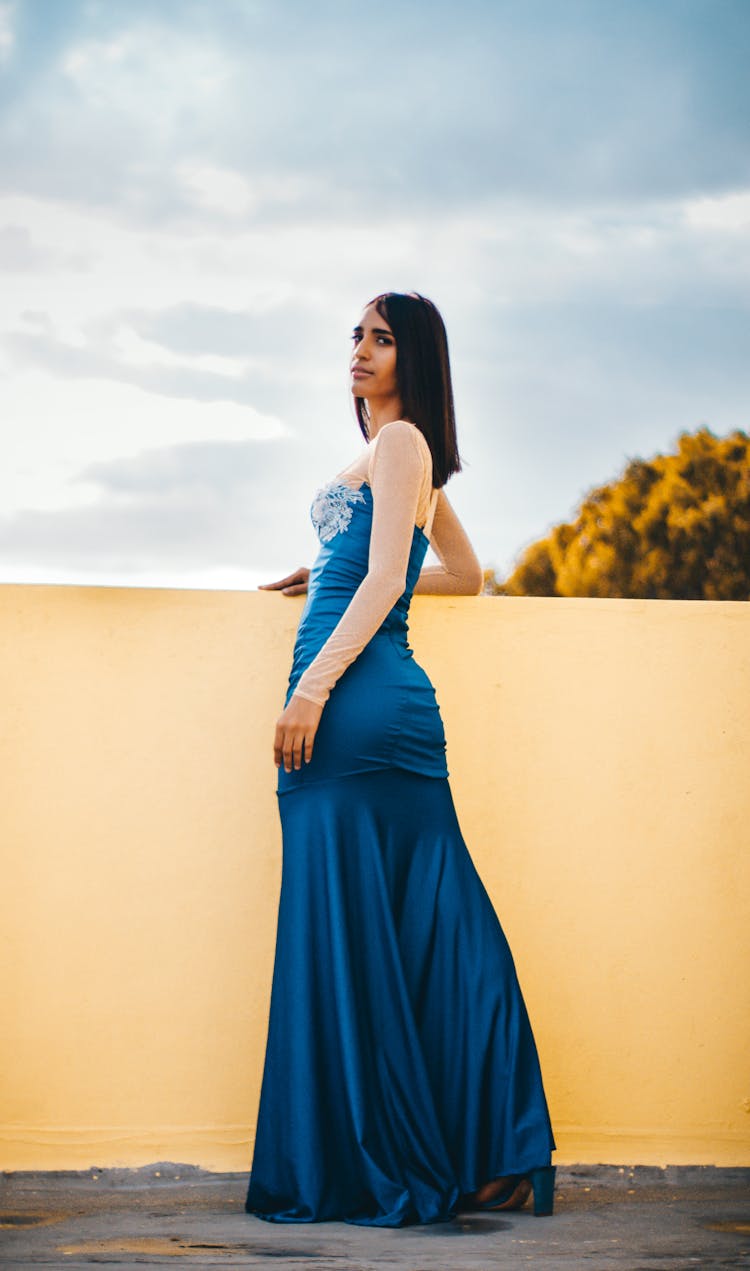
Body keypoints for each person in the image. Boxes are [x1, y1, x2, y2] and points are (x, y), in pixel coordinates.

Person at [245, 291, 556, 1227]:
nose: (361, 351)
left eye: (382, 339)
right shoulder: (393, 456)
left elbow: (390, 578)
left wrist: (310, 689)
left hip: (359, 702)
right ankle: (481, 1149)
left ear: (413, 359)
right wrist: (326, 564)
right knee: (410, 921)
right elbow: (462, 573)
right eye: (358, 335)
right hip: (360, 700)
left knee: (429, 921)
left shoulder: (405, 442)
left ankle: (494, 1142)